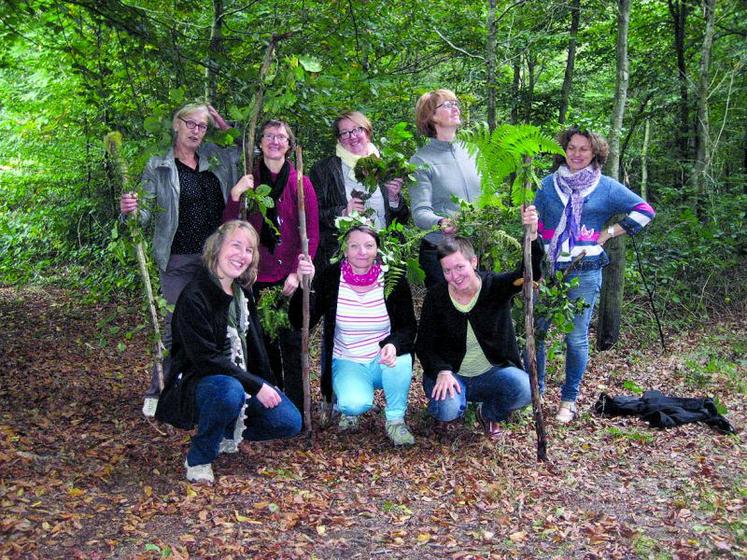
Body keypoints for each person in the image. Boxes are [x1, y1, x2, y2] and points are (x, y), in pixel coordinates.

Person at [120, 103, 252, 417]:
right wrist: (131, 211)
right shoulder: (159, 166)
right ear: (176, 125)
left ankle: (215, 395)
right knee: (173, 327)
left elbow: (244, 151)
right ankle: (158, 391)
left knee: (223, 328)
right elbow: (144, 214)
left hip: (217, 264)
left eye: (201, 126)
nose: (195, 130)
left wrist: (223, 123)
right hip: (178, 259)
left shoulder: (217, 160)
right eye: (189, 123)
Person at [154, 221, 304, 483]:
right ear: (217, 247)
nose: (242, 255)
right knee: (228, 391)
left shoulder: (241, 293)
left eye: (249, 250)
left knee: (289, 421)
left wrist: (268, 384)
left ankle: (224, 427)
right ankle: (199, 458)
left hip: (237, 380)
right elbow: (206, 360)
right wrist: (256, 386)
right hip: (199, 384)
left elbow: (258, 343)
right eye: (235, 245)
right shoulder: (195, 296)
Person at [534, 126, 656, 423]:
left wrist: (611, 232)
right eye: (571, 147)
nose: (576, 154)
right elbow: (534, 226)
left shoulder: (606, 187)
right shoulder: (547, 185)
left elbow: (645, 210)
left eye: (583, 149)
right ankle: (535, 390)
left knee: (575, 338)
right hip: (548, 269)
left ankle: (568, 399)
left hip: (585, 271)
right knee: (535, 331)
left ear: (594, 153)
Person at [416, 207, 542, 439]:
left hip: (491, 373)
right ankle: (448, 410)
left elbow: (528, 272)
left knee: (525, 388)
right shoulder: (437, 296)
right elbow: (424, 344)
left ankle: (489, 413)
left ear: (474, 262)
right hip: (451, 374)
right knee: (448, 409)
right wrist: (442, 371)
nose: (455, 276)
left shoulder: (494, 287)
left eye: (460, 267)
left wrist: (533, 236)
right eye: (447, 271)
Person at [223, 119, 319, 414]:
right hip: (255, 277)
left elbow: (311, 233)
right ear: (260, 142)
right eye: (269, 136)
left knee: (291, 344)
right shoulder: (249, 181)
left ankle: (297, 410)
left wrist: (295, 272)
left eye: (281, 137)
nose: (275, 141)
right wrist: (235, 196)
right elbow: (229, 228)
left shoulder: (300, 182)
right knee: (260, 346)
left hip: (288, 280)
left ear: (290, 146)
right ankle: (271, 408)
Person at [290, 224, 417, 446]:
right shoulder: (331, 277)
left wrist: (394, 345)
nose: (362, 252)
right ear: (345, 249)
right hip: (348, 360)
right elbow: (300, 322)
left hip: (383, 360)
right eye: (354, 246)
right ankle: (348, 407)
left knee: (402, 360)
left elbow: (408, 327)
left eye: (369, 246)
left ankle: (395, 420)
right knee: (353, 404)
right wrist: (303, 286)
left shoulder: (392, 279)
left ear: (378, 249)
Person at [309, 111, 410, 271]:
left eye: (357, 129)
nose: (352, 136)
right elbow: (313, 215)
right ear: (338, 139)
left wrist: (393, 198)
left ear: (367, 133)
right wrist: (342, 212)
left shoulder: (385, 166)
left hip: (385, 256)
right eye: (345, 133)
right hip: (340, 258)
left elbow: (402, 219)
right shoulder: (323, 170)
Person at [409, 89, 482, 287]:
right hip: (441, 254)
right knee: (448, 316)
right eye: (447, 105)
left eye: (455, 103)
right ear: (430, 116)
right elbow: (420, 213)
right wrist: (441, 222)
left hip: (475, 250)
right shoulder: (421, 160)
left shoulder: (473, 152)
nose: (455, 108)